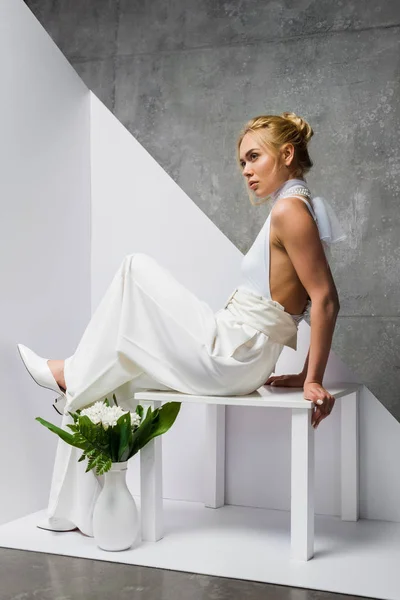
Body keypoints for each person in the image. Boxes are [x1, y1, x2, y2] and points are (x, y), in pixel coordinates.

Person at [17, 111, 346, 535]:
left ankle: (67, 372)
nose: (245, 170)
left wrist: (311, 378)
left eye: (253, 157)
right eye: (241, 162)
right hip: (235, 346)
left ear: (285, 154)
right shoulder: (294, 205)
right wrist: (303, 372)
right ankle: (75, 508)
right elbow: (308, 298)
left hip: (234, 352)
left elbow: (325, 299)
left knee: (134, 269)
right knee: (118, 358)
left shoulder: (289, 211)